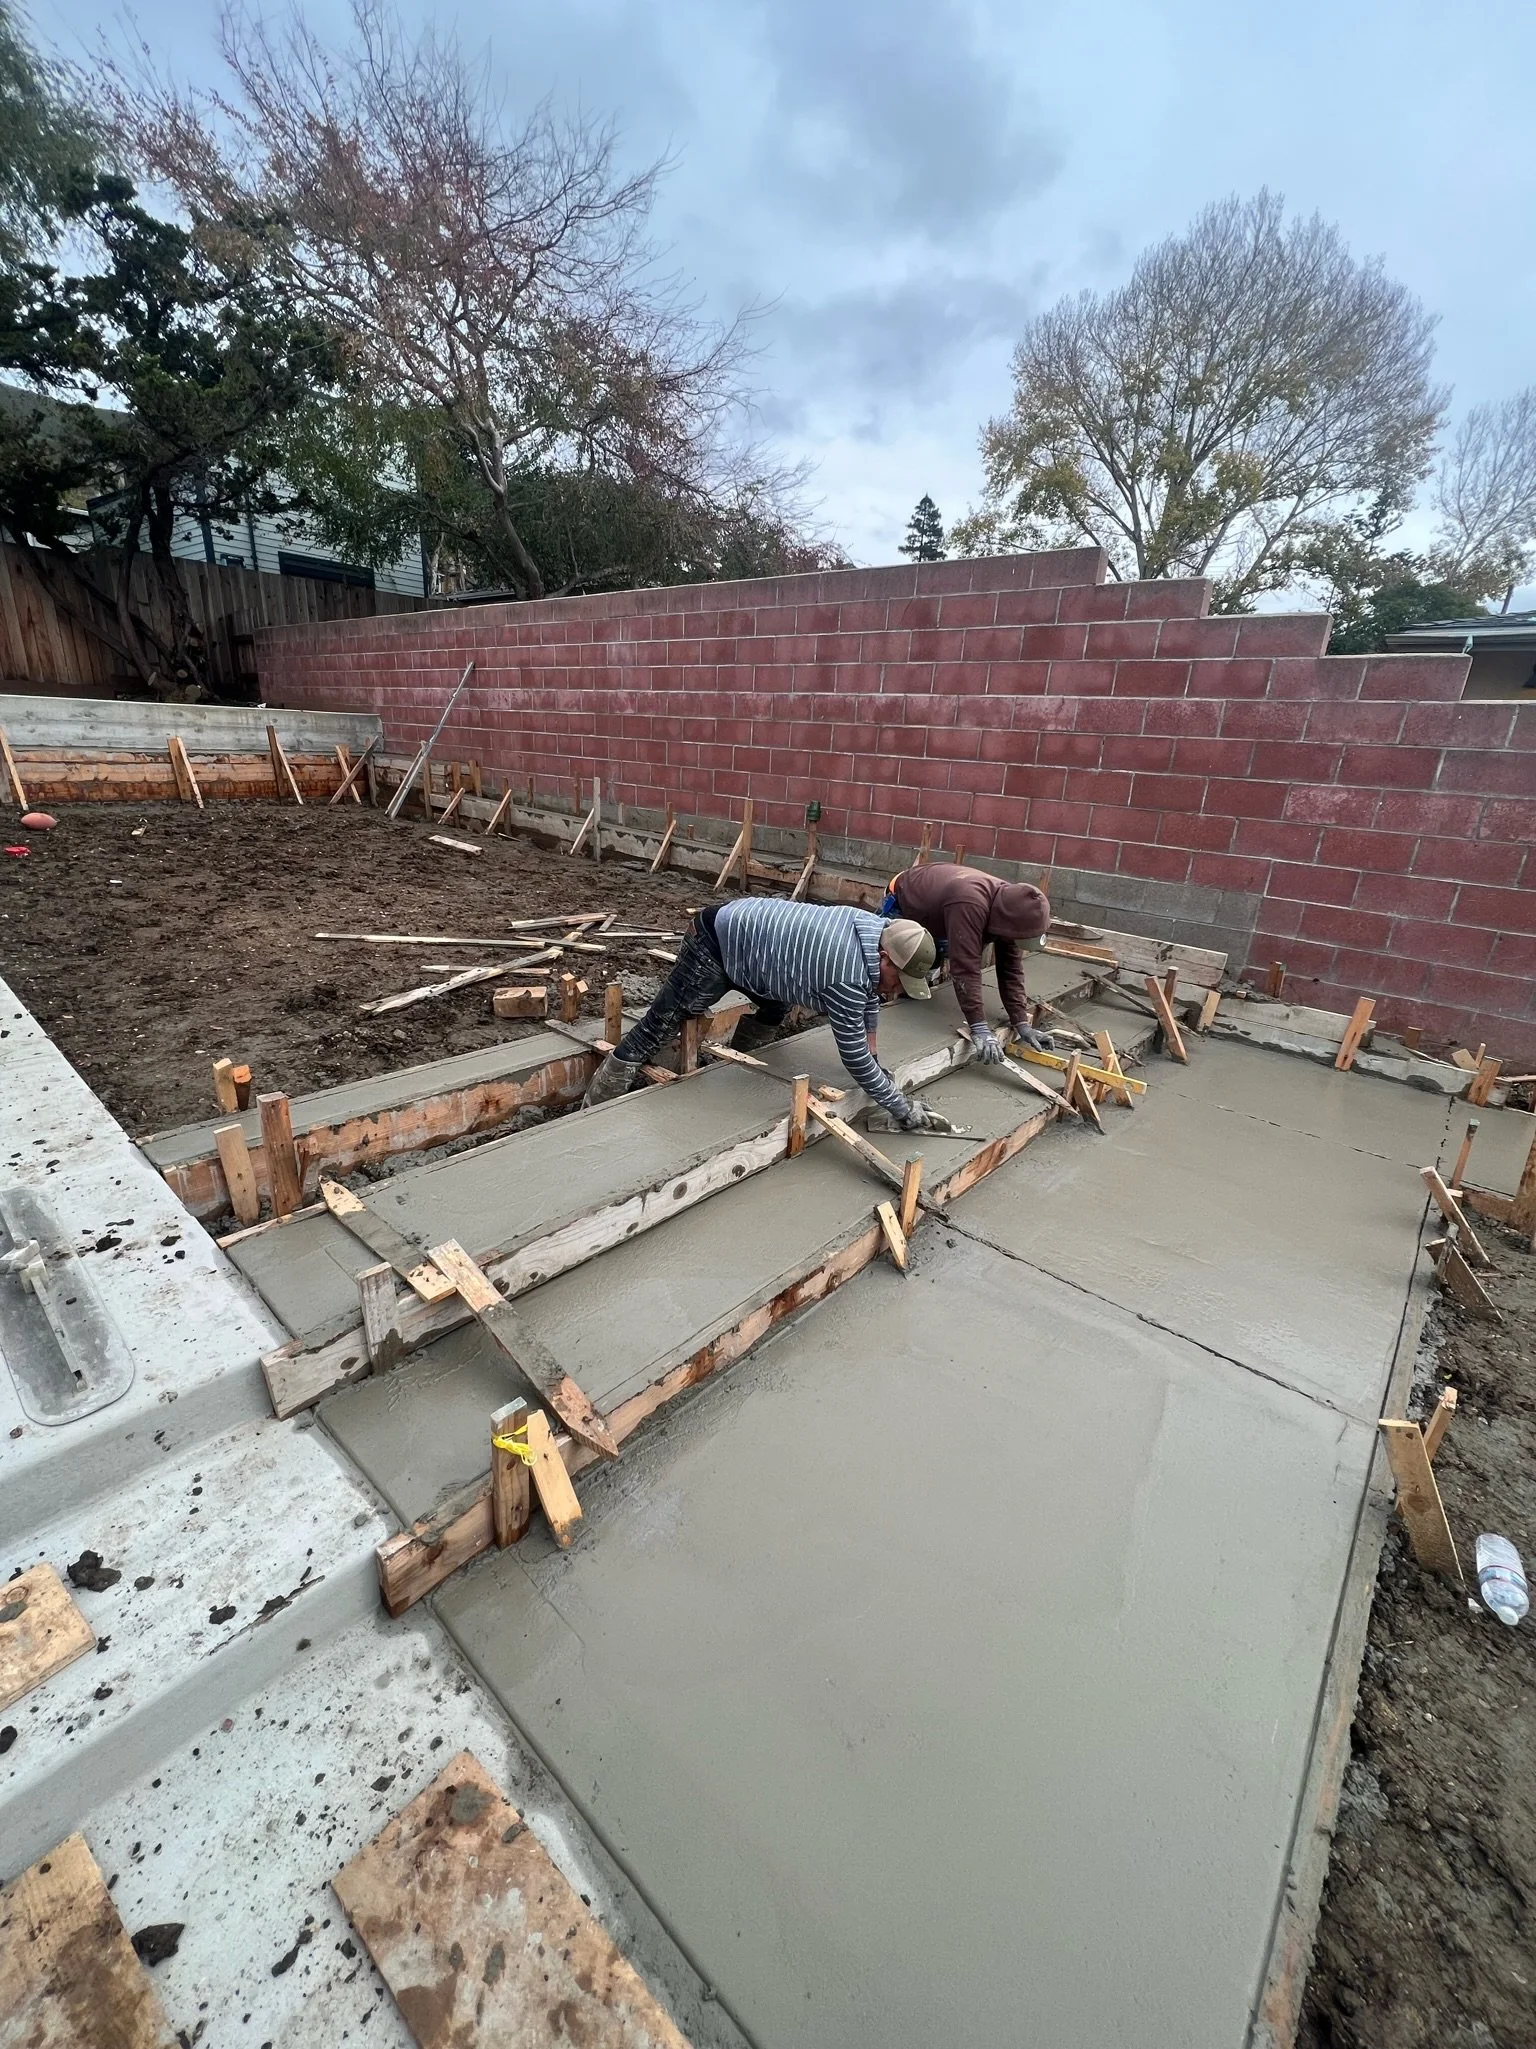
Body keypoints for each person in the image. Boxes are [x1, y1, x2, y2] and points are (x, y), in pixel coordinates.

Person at [583, 898, 952, 1130]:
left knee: (775, 1006)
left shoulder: (878, 931)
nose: (896, 990)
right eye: (898, 980)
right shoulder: (847, 975)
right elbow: (854, 1057)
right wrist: (901, 1108)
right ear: (884, 957)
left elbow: (872, 997)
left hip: (757, 949)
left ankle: (738, 1064)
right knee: (659, 1026)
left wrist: (876, 1057)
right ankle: (594, 1110)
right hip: (716, 941)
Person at [884, 864, 1054, 1064]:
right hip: (905, 896)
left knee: (937, 954)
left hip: (943, 904)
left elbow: (1011, 969)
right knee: (897, 964)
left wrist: (1021, 1022)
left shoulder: (1013, 908)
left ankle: (917, 983)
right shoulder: (970, 904)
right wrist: (978, 1026)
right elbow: (965, 966)